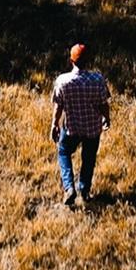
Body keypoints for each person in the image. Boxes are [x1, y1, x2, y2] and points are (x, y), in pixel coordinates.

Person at [51, 42, 110, 206]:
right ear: (88, 61)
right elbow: (103, 104)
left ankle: (69, 187)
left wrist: (54, 124)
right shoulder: (97, 79)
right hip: (92, 128)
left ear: (71, 60)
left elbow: (58, 106)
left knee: (63, 152)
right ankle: (84, 190)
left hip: (72, 128)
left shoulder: (62, 81)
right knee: (88, 159)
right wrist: (106, 118)